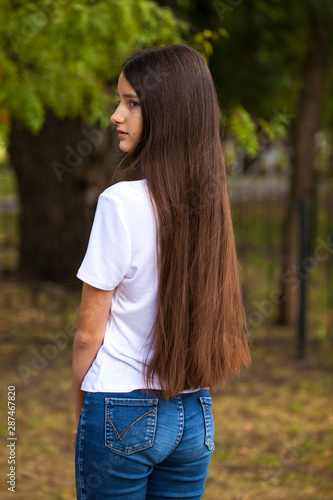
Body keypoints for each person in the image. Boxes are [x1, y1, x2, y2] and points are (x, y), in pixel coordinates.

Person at [72, 44, 251, 500]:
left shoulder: (120, 203)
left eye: (132, 103)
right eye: (120, 101)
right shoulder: (211, 205)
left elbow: (88, 335)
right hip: (194, 412)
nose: (116, 115)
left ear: (167, 114)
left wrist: (83, 405)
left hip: (119, 405)